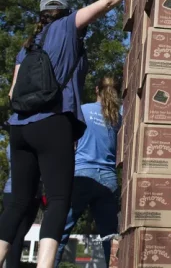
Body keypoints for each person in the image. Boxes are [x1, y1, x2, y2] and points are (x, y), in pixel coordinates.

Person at [0, 0, 132, 268]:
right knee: (59, 200)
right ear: (66, 10)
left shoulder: (28, 46)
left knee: (17, 204)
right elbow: (107, 2)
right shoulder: (68, 27)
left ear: (42, 13)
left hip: (20, 128)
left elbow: (12, 95)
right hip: (53, 122)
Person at [54, 76, 122, 267]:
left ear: (96, 90)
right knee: (109, 237)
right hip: (108, 180)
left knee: (60, 232)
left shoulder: (83, 110)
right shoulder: (120, 117)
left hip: (82, 175)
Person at [2, 142, 43, 268]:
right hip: (15, 193)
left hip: (34, 195)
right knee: (13, 238)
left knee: (18, 238)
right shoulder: (19, 139)